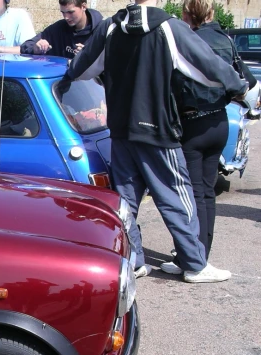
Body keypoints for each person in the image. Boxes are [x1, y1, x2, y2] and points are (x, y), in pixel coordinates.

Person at [67, 0, 247, 283]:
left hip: (121, 130)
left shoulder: (110, 27)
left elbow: (79, 69)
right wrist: (240, 86)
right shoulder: (169, 27)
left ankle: (135, 260)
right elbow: (209, 67)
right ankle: (195, 264)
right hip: (158, 130)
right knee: (177, 195)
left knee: (125, 202)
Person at [159, 0, 257, 278]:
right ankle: (200, 255)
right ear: (211, 12)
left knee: (189, 194)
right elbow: (246, 80)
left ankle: (191, 259)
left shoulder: (185, 41)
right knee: (206, 192)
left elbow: (171, 84)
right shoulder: (224, 39)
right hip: (220, 120)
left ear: (187, 14)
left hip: (193, 124)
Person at [20, 0, 103, 59]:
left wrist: (89, 56)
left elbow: (109, 64)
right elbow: (26, 46)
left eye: (70, 12)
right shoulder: (59, 28)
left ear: (83, 7)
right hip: (59, 82)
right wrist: (35, 48)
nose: (66, 17)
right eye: (63, 12)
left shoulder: (102, 30)